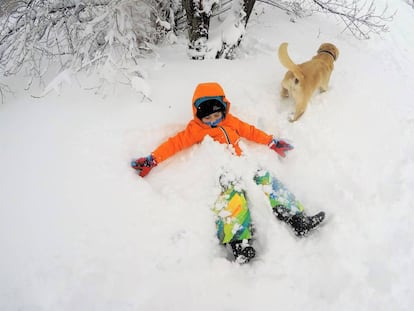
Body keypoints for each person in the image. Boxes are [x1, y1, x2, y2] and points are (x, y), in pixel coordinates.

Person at [131, 82, 325, 264]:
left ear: (224, 109)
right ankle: (239, 245)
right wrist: (152, 159)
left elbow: (249, 131)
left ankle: (298, 219)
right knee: (232, 202)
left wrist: (271, 142)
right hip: (224, 169)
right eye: (207, 118)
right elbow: (174, 144)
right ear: (198, 116)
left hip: (244, 162)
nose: (213, 121)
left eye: (217, 116)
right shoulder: (195, 129)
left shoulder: (231, 121)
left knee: (269, 183)